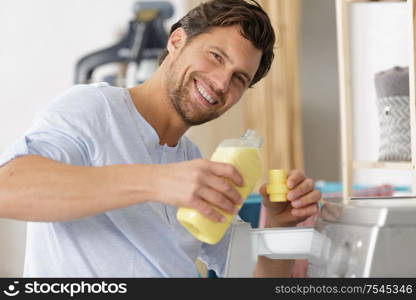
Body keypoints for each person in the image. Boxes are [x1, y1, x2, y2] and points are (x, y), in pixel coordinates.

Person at [0, 0, 321, 277]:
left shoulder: (194, 165)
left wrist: (280, 226)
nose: (223, 82)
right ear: (177, 41)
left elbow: (253, 279)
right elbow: (8, 188)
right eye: (216, 56)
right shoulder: (94, 109)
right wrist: (157, 182)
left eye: (239, 78)